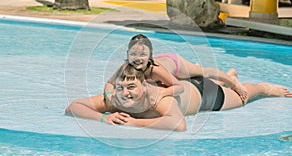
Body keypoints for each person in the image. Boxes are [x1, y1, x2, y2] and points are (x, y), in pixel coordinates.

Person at [65, 63, 292, 131]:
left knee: (243, 97)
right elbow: (73, 107)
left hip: (206, 94)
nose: (126, 93)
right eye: (121, 88)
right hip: (188, 89)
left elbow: (178, 123)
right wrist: (103, 118)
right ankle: (226, 78)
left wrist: (135, 122)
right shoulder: (116, 97)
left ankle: (263, 88)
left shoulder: (159, 98)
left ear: (144, 85)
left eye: (132, 87)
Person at [104, 34, 248, 107]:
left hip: (175, 64)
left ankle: (232, 80)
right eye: (133, 54)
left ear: (150, 56)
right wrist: (109, 95)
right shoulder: (125, 68)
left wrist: (163, 92)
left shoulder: (156, 70)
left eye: (143, 55)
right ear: (127, 54)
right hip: (166, 69)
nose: (137, 59)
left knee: (202, 72)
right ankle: (225, 79)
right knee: (200, 83)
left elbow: (179, 87)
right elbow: (109, 83)